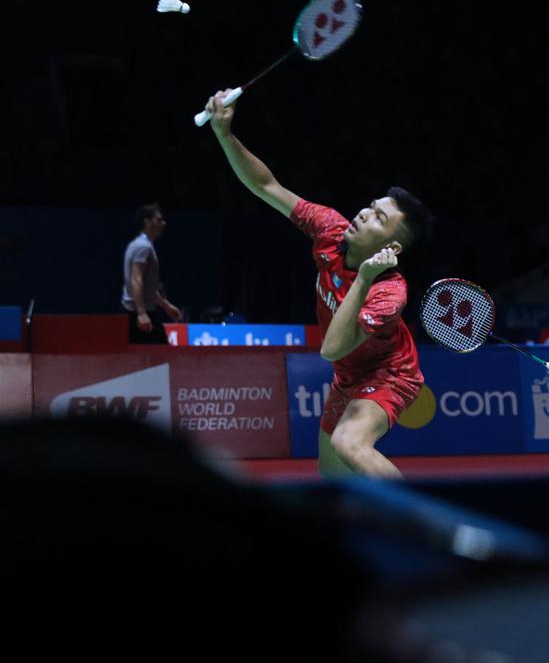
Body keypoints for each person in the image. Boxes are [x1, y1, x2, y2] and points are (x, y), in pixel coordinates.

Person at [206, 90, 434, 478]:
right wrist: (225, 135)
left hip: (390, 375)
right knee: (330, 471)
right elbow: (267, 186)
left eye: (379, 218)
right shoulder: (330, 228)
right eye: (371, 206)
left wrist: (362, 278)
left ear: (392, 246)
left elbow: (331, 348)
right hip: (347, 376)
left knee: (349, 443)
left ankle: (431, 524)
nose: (364, 213)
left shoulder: (388, 292)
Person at [121, 203, 181, 343]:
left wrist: (166, 306)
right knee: (161, 356)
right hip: (137, 313)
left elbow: (148, 286)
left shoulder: (141, 245)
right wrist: (141, 314)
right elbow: (137, 279)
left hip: (139, 311)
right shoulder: (143, 247)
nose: (163, 223)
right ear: (147, 222)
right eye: (159, 220)